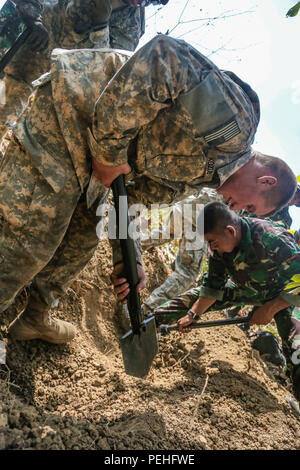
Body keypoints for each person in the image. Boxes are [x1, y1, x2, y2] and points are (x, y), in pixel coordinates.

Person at [1, 34, 296, 346]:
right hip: (73, 107)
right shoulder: (236, 127)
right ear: (266, 182)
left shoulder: (200, 180)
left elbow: (131, 199)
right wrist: (109, 154)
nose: (237, 212)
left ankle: (36, 315)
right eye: (250, 208)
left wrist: (129, 257)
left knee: (85, 233)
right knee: (34, 234)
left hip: (93, 154)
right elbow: (166, 55)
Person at [154, 202, 300, 402]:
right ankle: (146, 325)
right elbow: (213, 286)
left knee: (297, 346)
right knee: (189, 301)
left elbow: (298, 282)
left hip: (283, 296)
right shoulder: (219, 248)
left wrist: (271, 308)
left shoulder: (272, 238)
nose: (211, 247)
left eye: (212, 241)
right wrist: (193, 315)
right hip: (245, 288)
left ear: (230, 231)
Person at [0, 0, 152, 138]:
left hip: (51, 74)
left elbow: (107, 69)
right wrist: (33, 17)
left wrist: (101, 26)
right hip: (27, 40)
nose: (142, 3)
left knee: (9, 114)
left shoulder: (133, 25)